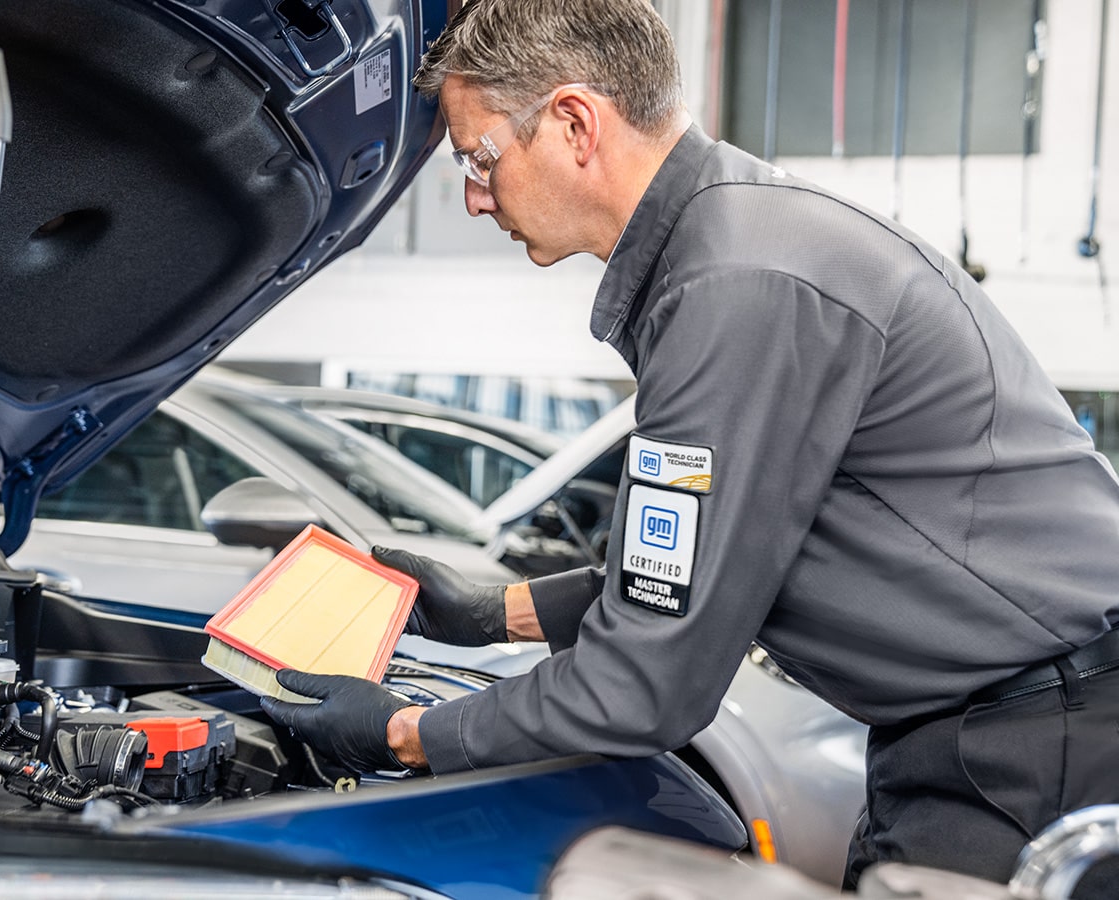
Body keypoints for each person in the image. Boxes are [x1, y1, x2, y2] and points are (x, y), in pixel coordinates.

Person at [261, 0, 1119, 892]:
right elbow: (705, 567)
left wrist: (404, 731)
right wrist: (491, 612)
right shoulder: (732, 248)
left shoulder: (740, 286)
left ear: (574, 122)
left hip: (1038, 739)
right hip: (1002, 722)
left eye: (480, 160)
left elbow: (648, 684)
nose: (476, 198)